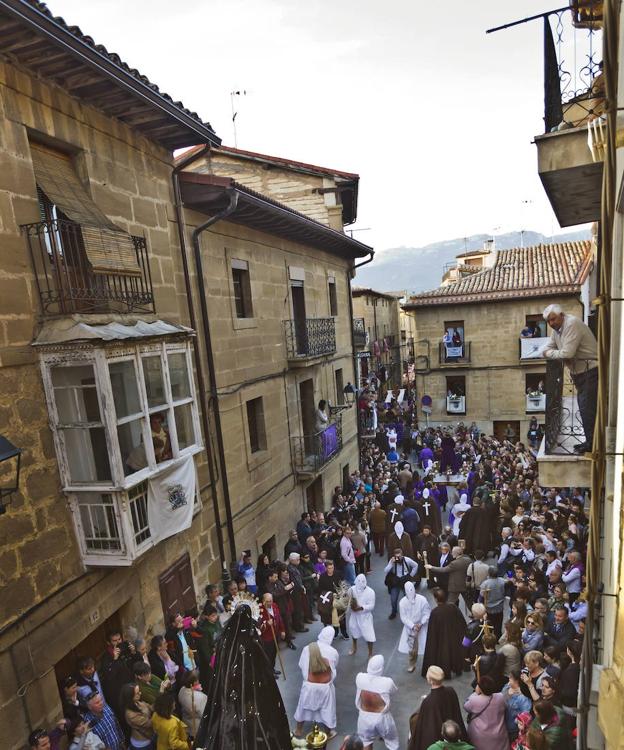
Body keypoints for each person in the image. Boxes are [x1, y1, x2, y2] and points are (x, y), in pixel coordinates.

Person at [542, 304, 598, 454]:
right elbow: (545, 348)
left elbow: (567, 353)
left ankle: (592, 445)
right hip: (580, 373)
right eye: (549, 321)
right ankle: (590, 441)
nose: (551, 323)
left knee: (587, 408)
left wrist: (551, 354)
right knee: (585, 407)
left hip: (590, 370)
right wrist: (552, 353)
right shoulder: (557, 331)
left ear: (562, 315)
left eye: (553, 319)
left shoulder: (571, 324)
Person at [294, 627, 339, 741]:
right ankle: (328, 733)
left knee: (303, 707)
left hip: (309, 686)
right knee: (327, 709)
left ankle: (298, 730)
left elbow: (301, 665)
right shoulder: (333, 652)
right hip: (325, 687)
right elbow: (334, 668)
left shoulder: (307, 648)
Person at [408, 666, 467, 750]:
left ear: (430, 680)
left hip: (439, 738)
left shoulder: (428, 701)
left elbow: (426, 724)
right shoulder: (451, 691)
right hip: (452, 731)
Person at [355, 655, 399, 750]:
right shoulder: (387, 682)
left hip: (364, 718)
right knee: (392, 741)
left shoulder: (359, 677)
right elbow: (394, 691)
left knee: (365, 742)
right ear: (381, 668)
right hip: (381, 718)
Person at [421, 588, 467, 679]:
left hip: (442, 639)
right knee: (454, 653)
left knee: (444, 655)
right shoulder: (453, 607)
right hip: (454, 637)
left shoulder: (435, 612)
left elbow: (432, 631)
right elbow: (461, 622)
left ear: (436, 599)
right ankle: (457, 669)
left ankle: (444, 671)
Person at [463, 675, 508, 750]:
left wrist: (475, 693)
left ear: (480, 688)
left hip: (481, 735)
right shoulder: (500, 697)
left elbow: (466, 707)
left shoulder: (474, 700)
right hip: (499, 732)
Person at [98, 629, 135, 720]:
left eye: (119, 639)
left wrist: (134, 652)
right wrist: (115, 659)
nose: (118, 642)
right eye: (114, 640)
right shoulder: (106, 658)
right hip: (119, 694)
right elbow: (109, 676)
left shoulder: (125, 649)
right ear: (108, 642)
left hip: (131, 687)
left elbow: (135, 664)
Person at [398, 581, 431, 673]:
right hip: (410, 628)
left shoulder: (422, 600)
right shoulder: (402, 602)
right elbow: (403, 617)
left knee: (426, 646)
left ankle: (428, 664)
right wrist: (412, 626)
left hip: (422, 626)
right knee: (411, 648)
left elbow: (427, 613)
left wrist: (421, 623)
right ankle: (412, 664)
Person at [383, 548, 418, 619]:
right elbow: (385, 570)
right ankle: (394, 611)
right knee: (393, 599)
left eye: (399, 557)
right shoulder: (392, 561)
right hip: (395, 581)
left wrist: (411, 575)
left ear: (402, 556)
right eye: (396, 557)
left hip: (405, 580)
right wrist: (391, 564)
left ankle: (409, 612)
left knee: (409, 597)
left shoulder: (407, 560)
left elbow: (415, 565)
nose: (398, 558)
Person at [348, 574, 376, 658]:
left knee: (369, 634)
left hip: (365, 617)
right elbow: (347, 600)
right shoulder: (351, 590)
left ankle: (370, 652)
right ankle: (354, 646)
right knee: (353, 630)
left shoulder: (371, 592)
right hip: (354, 616)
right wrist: (349, 605)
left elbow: (372, 606)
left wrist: (361, 608)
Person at [120, 683, 154, 750]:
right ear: (130, 697)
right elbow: (149, 723)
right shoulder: (131, 714)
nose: (140, 693)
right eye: (137, 693)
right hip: (143, 743)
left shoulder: (137, 702)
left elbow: (150, 707)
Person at [259, 592, 285, 676]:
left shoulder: (274, 606)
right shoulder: (259, 610)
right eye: (267, 601)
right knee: (268, 656)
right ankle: (269, 673)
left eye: (271, 601)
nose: (269, 603)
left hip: (275, 634)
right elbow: (258, 627)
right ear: (263, 601)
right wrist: (266, 624)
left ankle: (272, 669)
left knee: (274, 653)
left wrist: (282, 630)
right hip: (267, 638)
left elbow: (279, 618)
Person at [177, 670, 207, 743]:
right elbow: (204, 714)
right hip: (197, 727)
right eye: (197, 679)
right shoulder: (200, 697)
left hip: (187, 723)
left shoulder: (181, 690)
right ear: (194, 683)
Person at [480, 566, 507, 639]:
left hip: (488, 608)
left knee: (489, 625)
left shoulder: (485, 584)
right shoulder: (502, 581)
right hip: (499, 607)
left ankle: (490, 639)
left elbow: (482, 596)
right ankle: (498, 637)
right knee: (498, 624)